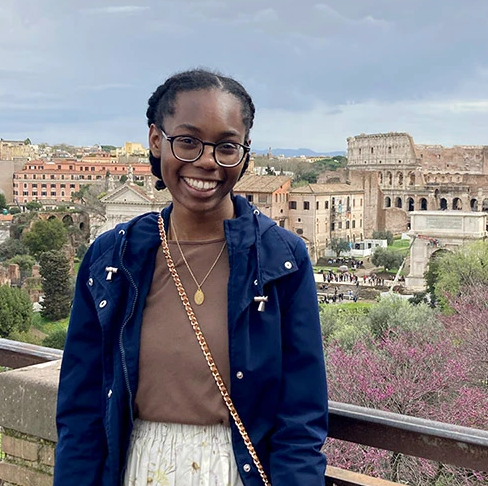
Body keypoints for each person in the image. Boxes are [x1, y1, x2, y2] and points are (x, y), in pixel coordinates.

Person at [55, 69, 329, 486]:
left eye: (226, 146)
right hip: (139, 470)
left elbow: (301, 420)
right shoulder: (111, 258)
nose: (206, 161)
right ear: (155, 140)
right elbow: (82, 411)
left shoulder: (283, 260)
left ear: (244, 153)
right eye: (187, 141)